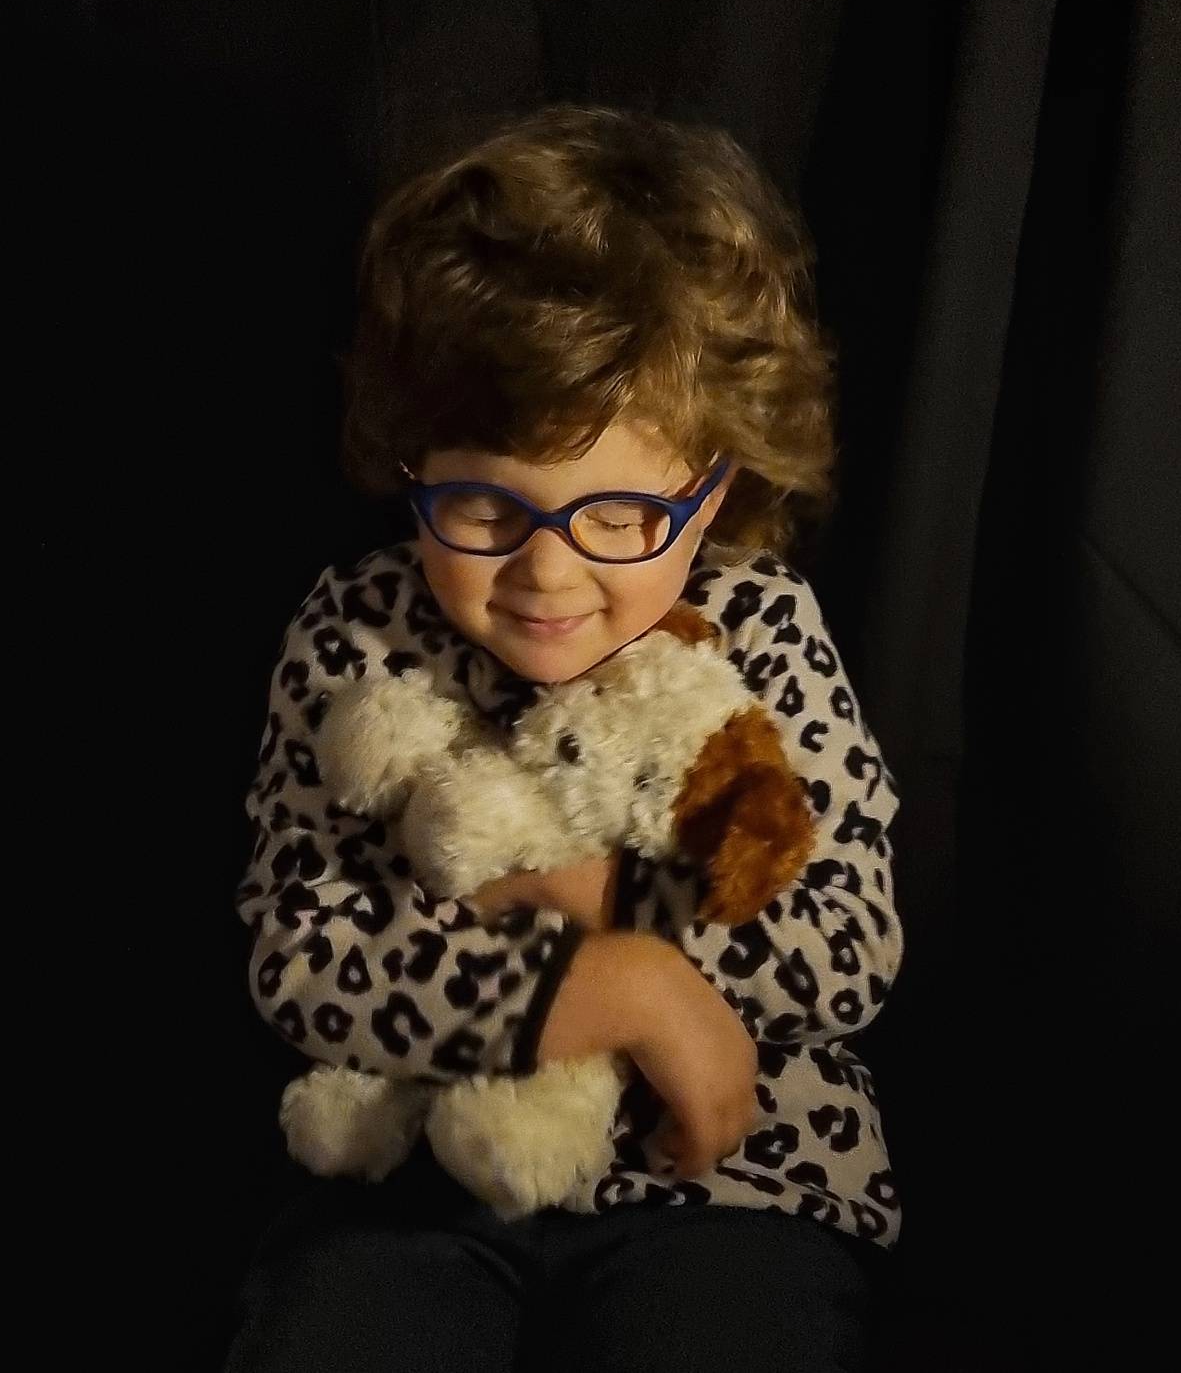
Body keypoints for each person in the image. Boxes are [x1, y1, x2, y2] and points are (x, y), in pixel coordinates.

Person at [225, 103, 903, 1373]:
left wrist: (594, 904)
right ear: (412, 465)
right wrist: (607, 988)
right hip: (416, 1164)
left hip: (733, 1177)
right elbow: (305, 956)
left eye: (620, 514)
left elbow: (842, 946)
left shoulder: (763, 623)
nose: (545, 573)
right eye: (483, 506)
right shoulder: (355, 632)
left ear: (712, 487)